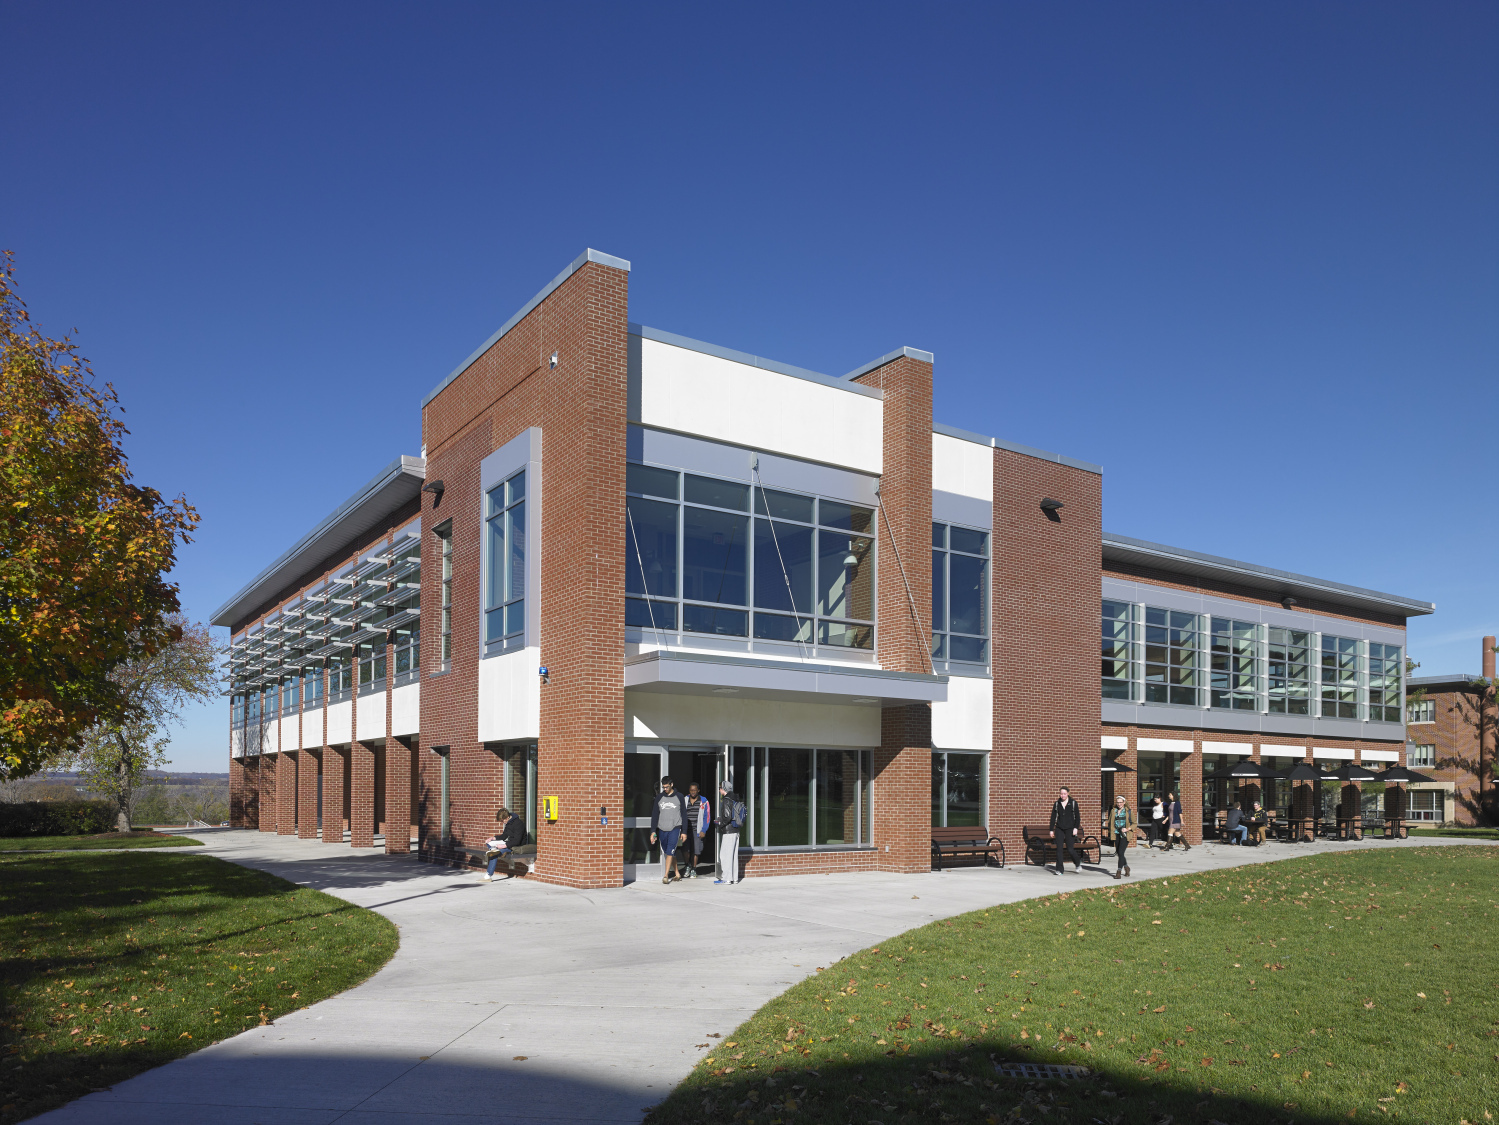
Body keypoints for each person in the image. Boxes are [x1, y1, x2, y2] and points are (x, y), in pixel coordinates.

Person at [650, 776, 690, 884]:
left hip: (675, 828)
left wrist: (684, 832)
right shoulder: (659, 797)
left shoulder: (679, 796)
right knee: (669, 853)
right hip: (662, 828)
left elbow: (684, 815)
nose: (665, 789)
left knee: (670, 850)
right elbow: (654, 815)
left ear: (671, 784)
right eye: (663, 787)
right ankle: (677, 873)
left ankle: (666, 875)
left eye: (667, 787)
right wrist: (653, 831)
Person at [713, 780, 746, 884]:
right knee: (733, 855)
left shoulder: (727, 800)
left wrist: (719, 823)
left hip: (729, 831)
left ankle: (727, 878)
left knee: (725, 855)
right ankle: (734, 878)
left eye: (720, 788)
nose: (719, 790)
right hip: (736, 830)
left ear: (724, 789)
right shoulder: (735, 798)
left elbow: (727, 816)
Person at [482, 807, 528, 881]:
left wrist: (503, 846)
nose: (502, 822)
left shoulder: (518, 824)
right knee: (489, 843)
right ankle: (493, 849)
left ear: (507, 817)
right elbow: (504, 836)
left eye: (502, 820)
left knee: (494, 854)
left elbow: (517, 841)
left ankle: (488, 876)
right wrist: (493, 838)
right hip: (509, 843)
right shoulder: (508, 823)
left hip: (516, 846)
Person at [1048, 785, 1083, 874]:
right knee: (1059, 849)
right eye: (1061, 794)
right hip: (1059, 828)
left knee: (1070, 849)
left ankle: (1077, 863)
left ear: (1068, 794)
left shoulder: (1073, 803)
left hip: (1070, 828)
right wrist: (1051, 829)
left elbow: (1077, 818)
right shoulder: (1057, 804)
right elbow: (1053, 817)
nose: (1062, 795)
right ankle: (1059, 869)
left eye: (1064, 794)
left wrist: (1075, 828)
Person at [682, 782, 711, 878]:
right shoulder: (685, 800)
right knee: (686, 850)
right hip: (686, 830)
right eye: (691, 790)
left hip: (697, 830)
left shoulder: (704, 801)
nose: (693, 792)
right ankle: (687, 866)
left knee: (696, 851)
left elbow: (707, 817)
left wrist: (704, 830)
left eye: (695, 790)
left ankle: (694, 869)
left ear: (698, 790)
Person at [1108, 794, 1134, 879]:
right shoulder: (1113, 811)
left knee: (1121, 852)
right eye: (1117, 802)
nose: (1119, 804)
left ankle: (1118, 872)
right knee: (1119, 853)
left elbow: (1135, 823)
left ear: (1124, 802)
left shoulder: (1128, 811)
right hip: (1116, 833)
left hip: (1125, 834)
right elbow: (1110, 822)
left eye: (1120, 802)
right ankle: (1126, 867)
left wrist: (1127, 829)